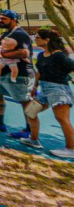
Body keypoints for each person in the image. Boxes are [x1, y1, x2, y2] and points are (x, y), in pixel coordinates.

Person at [0, 9, 37, 142]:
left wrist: (2, 55)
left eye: (4, 19)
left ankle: (29, 129)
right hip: (3, 72)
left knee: (25, 100)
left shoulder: (20, 34)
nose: (0, 20)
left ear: (14, 20)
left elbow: (24, 53)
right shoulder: (5, 34)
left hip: (20, 73)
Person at [30, 28, 74, 158]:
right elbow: (39, 72)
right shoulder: (41, 55)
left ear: (47, 40)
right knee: (30, 112)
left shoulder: (59, 55)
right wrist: (35, 86)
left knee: (62, 119)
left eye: (38, 37)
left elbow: (71, 66)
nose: (35, 39)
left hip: (58, 89)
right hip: (44, 89)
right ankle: (33, 140)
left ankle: (71, 149)